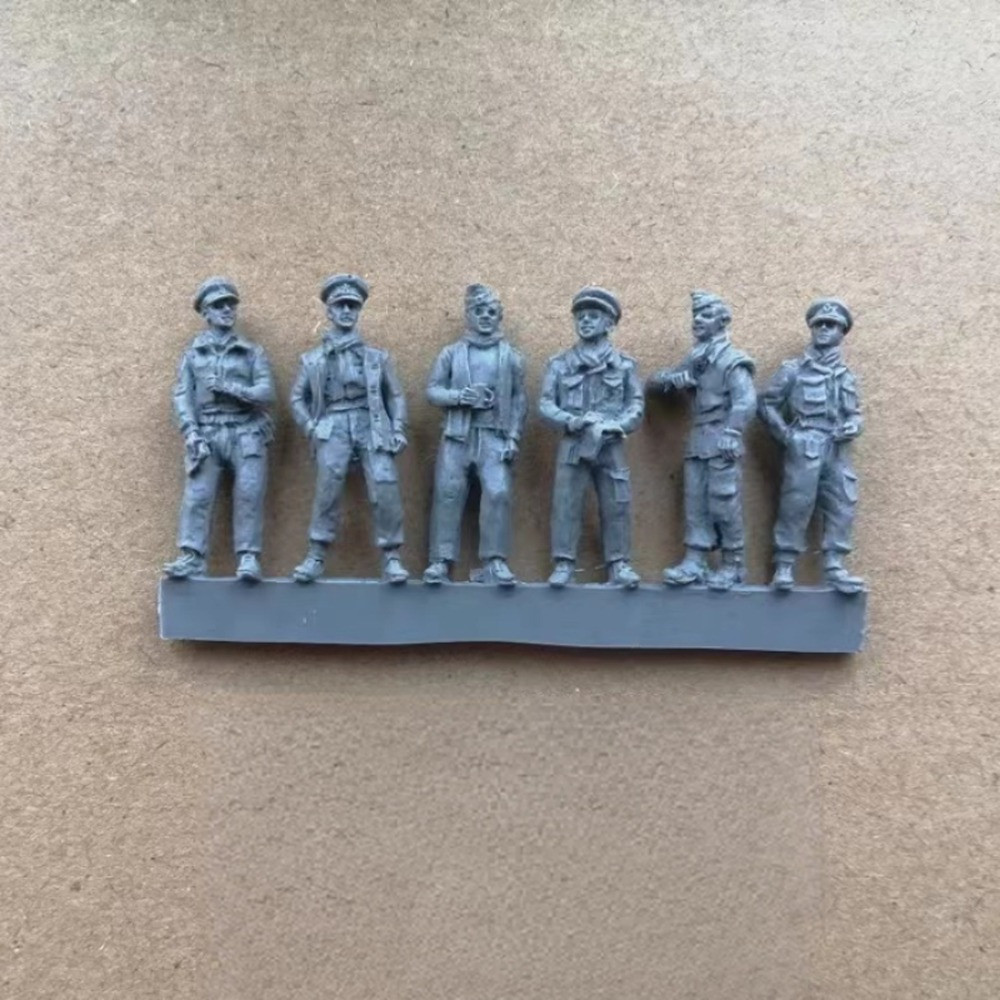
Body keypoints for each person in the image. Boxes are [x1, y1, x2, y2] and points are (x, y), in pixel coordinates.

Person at [289, 274, 409, 584]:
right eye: (340, 305)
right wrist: (311, 426)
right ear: (329, 311)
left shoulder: (376, 358)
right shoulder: (313, 360)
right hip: (333, 424)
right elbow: (297, 398)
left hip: (371, 423)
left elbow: (395, 395)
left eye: (352, 306)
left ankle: (392, 556)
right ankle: (316, 554)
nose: (346, 311)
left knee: (385, 484)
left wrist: (398, 429)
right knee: (328, 486)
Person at [164, 277, 275, 582]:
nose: (227, 310)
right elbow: (182, 396)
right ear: (206, 312)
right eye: (218, 305)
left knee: (249, 493)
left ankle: (248, 556)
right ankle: (192, 556)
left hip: (246, 431)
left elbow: (266, 392)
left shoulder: (252, 352)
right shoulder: (194, 354)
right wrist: (191, 432)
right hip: (208, 432)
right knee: (198, 495)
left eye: (230, 304)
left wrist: (231, 388)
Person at [649, 291, 756, 590]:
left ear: (722, 321)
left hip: (722, 438)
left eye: (706, 315)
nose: (697, 319)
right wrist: (672, 381)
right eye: (695, 315)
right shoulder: (696, 358)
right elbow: (655, 382)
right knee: (695, 501)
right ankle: (695, 559)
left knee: (723, 502)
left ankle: (733, 563)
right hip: (699, 439)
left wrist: (732, 433)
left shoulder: (733, 360)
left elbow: (746, 401)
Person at [758, 298, 864, 594]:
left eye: (831, 325)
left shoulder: (847, 376)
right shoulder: (794, 370)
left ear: (842, 332)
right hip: (805, 443)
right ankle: (784, 565)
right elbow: (766, 404)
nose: (824, 329)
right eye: (819, 324)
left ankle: (835, 565)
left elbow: (854, 412)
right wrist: (786, 435)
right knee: (796, 502)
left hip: (837, 447)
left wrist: (854, 425)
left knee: (842, 502)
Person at [423, 284, 527, 586]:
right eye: (479, 311)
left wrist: (513, 437)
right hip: (458, 435)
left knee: (498, 492)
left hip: (494, 435)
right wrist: (459, 397)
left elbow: (520, 400)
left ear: (499, 317)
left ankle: (495, 561)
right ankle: (441, 561)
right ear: (468, 315)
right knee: (448, 493)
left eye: (492, 312)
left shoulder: (511, 357)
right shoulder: (451, 354)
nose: (485, 316)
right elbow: (433, 391)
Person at [539, 286, 643, 588]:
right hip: (574, 443)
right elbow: (545, 404)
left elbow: (636, 405)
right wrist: (572, 421)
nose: (585, 321)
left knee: (617, 503)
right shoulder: (559, 364)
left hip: (610, 445)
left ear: (609, 323)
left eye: (593, 316)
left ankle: (619, 564)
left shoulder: (625, 365)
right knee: (566, 503)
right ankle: (564, 564)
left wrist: (617, 425)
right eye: (580, 316)